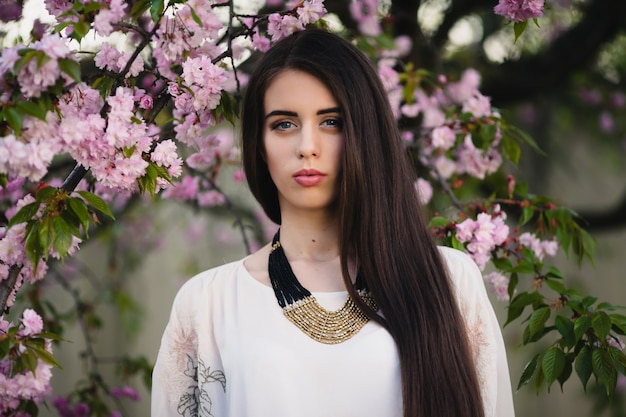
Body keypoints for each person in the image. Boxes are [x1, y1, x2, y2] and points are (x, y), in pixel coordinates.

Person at [151, 29, 515, 417]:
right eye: (284, 124)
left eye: (332, 122)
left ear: (366, 134)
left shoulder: (448, 282)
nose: (307, 145)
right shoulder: (208, 304)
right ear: (259, 143)